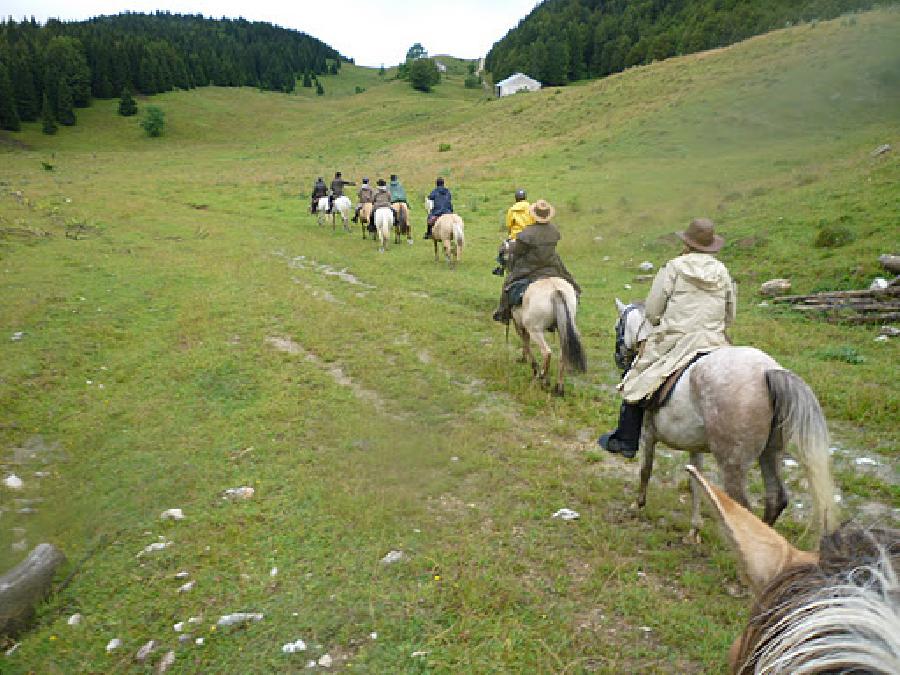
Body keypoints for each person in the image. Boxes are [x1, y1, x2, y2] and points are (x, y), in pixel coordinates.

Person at [599, 218, 736, 458]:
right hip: (715, 340)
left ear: (687, 242)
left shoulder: (674, 267)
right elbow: (730, 313)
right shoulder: (721, 271)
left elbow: (652, 312)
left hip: (677, 339)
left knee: (638, 377)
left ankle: (626, 440)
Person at [492, 198, 581, 324]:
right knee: (570, 280)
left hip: (530, 267)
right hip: (552, 264)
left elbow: (518, 250)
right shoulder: (554, 230)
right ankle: (576, 297)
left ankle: (502, 312)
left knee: (508, 283)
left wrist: (506, 247)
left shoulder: (527, 232)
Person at [494, 188, 535, 275]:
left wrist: (510, 235)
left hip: (516, 237)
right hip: (530, 238)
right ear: (525, 198)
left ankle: (501, 268)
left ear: (516, 198)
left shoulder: (512, 210)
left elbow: (509, 225)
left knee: (501, 251)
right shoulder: (531, 208)